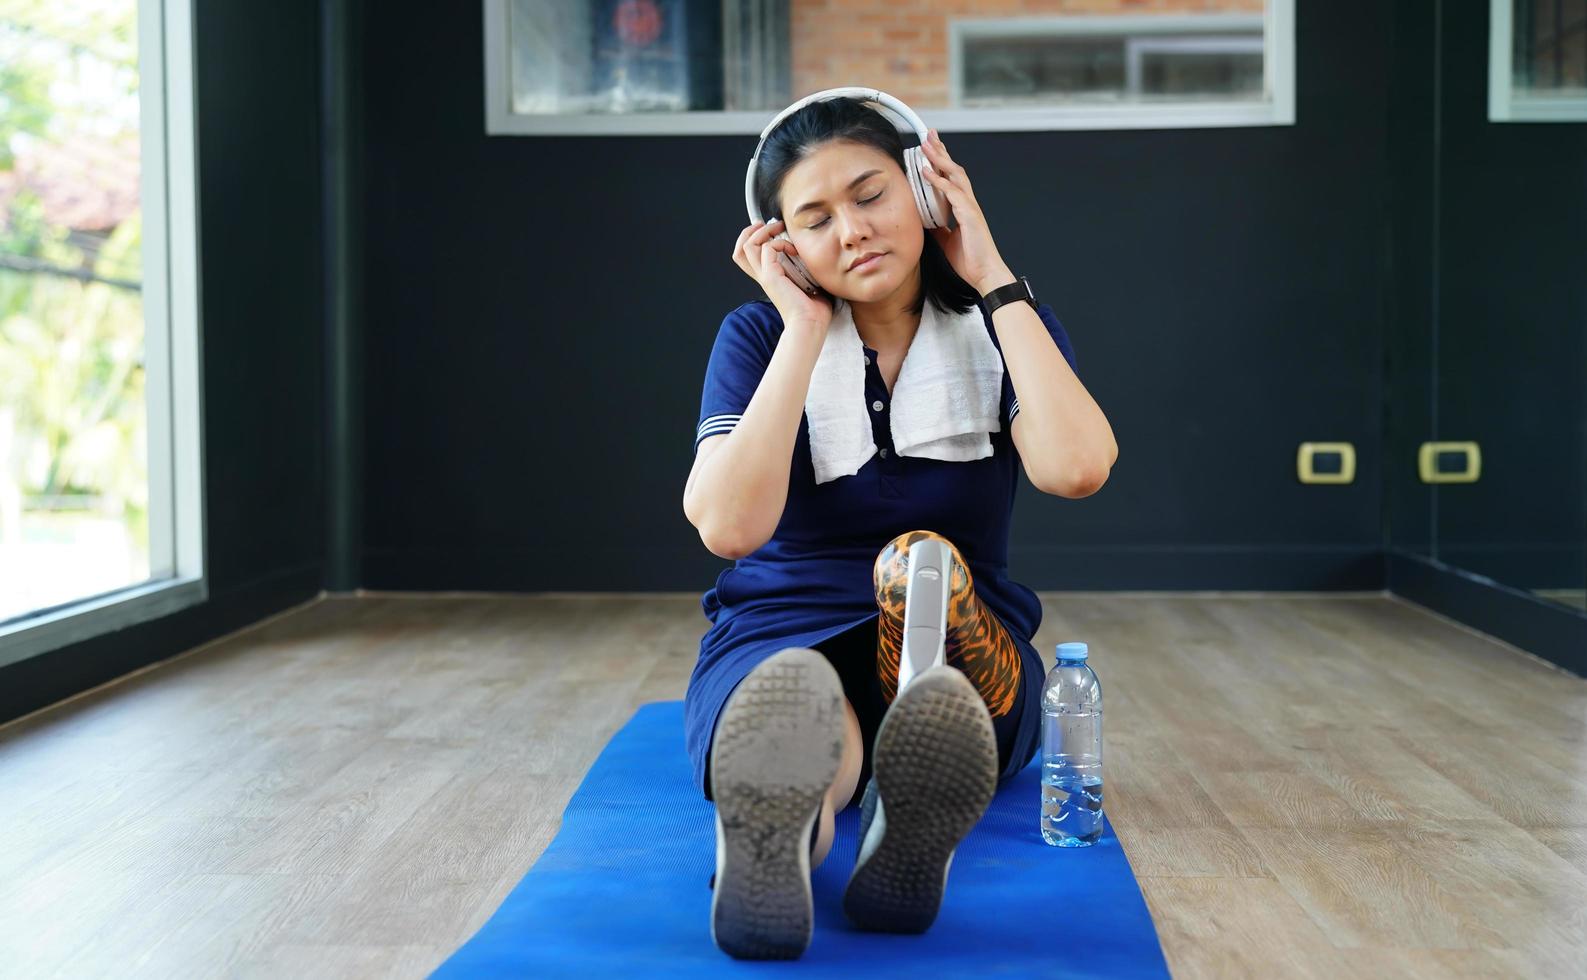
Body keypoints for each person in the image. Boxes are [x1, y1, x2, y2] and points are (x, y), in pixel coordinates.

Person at [681, 94, 1117, 960]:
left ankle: (912, 769)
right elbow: (729, 527)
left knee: (922, 570)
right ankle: (789, 847)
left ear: (926, 188)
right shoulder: (756, 333)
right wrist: (801, 329)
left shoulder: (1003, 323)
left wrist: (992, 275)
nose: (851, 231)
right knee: (805, 712)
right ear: (783, 244)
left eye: (870, 194)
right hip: (784, 634)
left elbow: (1077, 469)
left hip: (970, 647)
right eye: (815, 218)